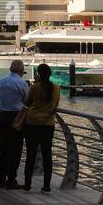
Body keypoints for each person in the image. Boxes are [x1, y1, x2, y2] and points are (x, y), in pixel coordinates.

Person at [22, 62, 60, 193]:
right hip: (48, 124)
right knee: (47, 154)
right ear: (50, 74)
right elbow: (56, 104)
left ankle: (27, 184)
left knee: (31, 154)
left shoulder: (35, 87)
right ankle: (46, 186)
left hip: (32, 123)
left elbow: (27, 103)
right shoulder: (56, 88)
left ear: (38, 74)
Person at [0, 60, 28, 189]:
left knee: (3, 148)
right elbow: (27, 99)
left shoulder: (1, 81)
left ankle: (0, 179)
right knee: (15, 149)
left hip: (3, 115)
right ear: (21, 70)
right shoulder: (21, 83)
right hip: (16, 117)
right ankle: (11, 180)